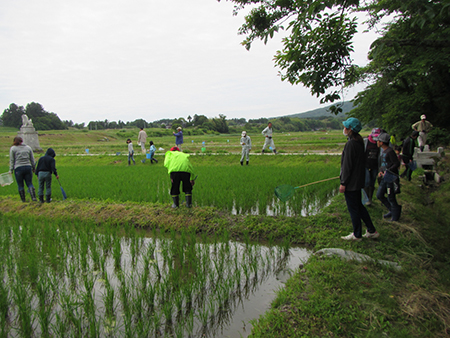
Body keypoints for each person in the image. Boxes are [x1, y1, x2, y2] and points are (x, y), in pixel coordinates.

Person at [340, 118, 378, 241]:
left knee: (353, 209)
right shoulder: (359, 141)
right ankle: (371, 230)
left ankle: (357, 235)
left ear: (350, 129)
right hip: (357, 180)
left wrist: (343, 182)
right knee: (359, 207)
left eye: (345, 127)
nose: (344, 129)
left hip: (351, 183)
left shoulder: (351, 144)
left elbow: (347, 165)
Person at [375, 132, 402, 221]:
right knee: (379, 195)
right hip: (384, 178)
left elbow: (396, 163)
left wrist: (387, 171)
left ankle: (395, 216)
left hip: (390, 178)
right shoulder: (383, 151)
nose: (377, 142)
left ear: (382, 142)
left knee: (391, 197)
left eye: (378, 141)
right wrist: (381, 171)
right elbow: (383, 164)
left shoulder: (390, 151)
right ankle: (391, 210)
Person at [9, 136, 37, 202]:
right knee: (29, 183)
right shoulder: (28, 148)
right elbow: (32, 159)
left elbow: (12, 160)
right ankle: (33, 198)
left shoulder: (13, 149)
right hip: (28, 167)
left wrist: (11, 170)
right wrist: (33, 168)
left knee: (20, 185)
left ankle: (23, 200)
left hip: (18, 168)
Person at [363, 128, 380, 206]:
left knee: (372, 182)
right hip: (366, 164)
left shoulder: (379, 143)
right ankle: (366, 198)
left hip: (375, 165)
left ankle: (370, 198)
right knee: (366, 182)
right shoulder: (366, 141)